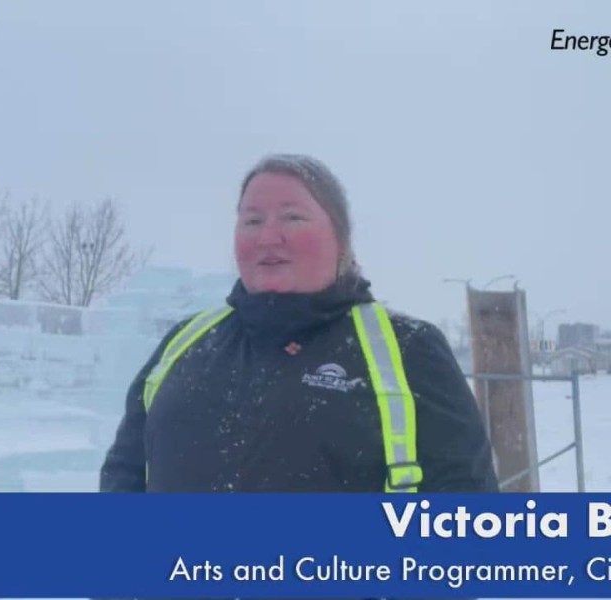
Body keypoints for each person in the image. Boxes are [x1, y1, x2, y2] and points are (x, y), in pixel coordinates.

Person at [100, 153, 497, 494]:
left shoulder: (410, 349)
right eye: (252, 221)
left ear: (340, 238)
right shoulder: (185, 341)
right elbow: (125, 475)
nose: (268, 237)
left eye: (292, 217)